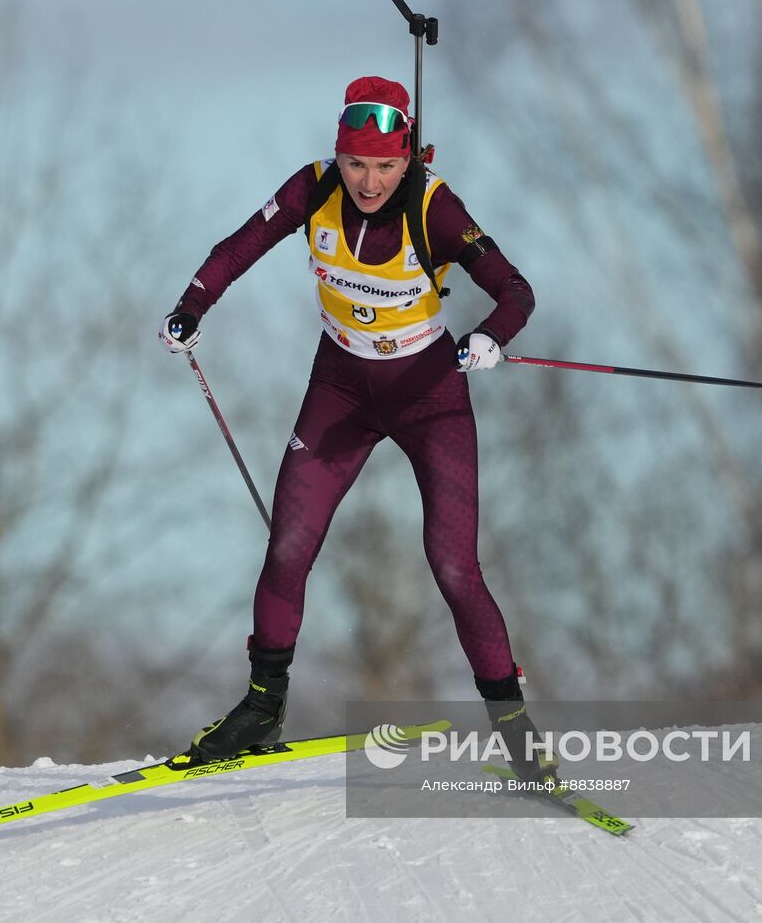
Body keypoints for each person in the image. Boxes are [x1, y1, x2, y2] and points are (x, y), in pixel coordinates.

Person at [159, 76, 555, 785]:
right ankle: (260, 710)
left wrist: (492, 336)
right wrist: (192, 305)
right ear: (337, 156)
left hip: (427, 394)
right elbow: (237, 247)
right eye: (356, 164)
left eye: (385, 166)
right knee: (287, 546)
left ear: (408, 159)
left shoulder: (434, 208)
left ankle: (515, 730)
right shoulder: (312, 188)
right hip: (340, 388)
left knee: (454, 565)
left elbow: (515, 289)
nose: (369, 181)